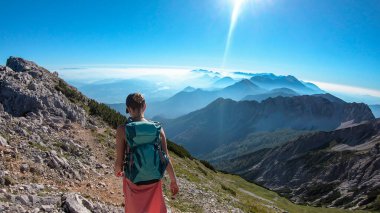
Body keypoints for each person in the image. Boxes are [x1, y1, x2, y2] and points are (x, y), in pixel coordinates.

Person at [114, 93, 179, 213]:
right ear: (145, 106)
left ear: (128, 109)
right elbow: (166, 158)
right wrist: (173, 181)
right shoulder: (158, 129)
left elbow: (119, 163)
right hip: (154, 180)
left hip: (133, 180)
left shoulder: (123, 130)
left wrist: (118, 171)